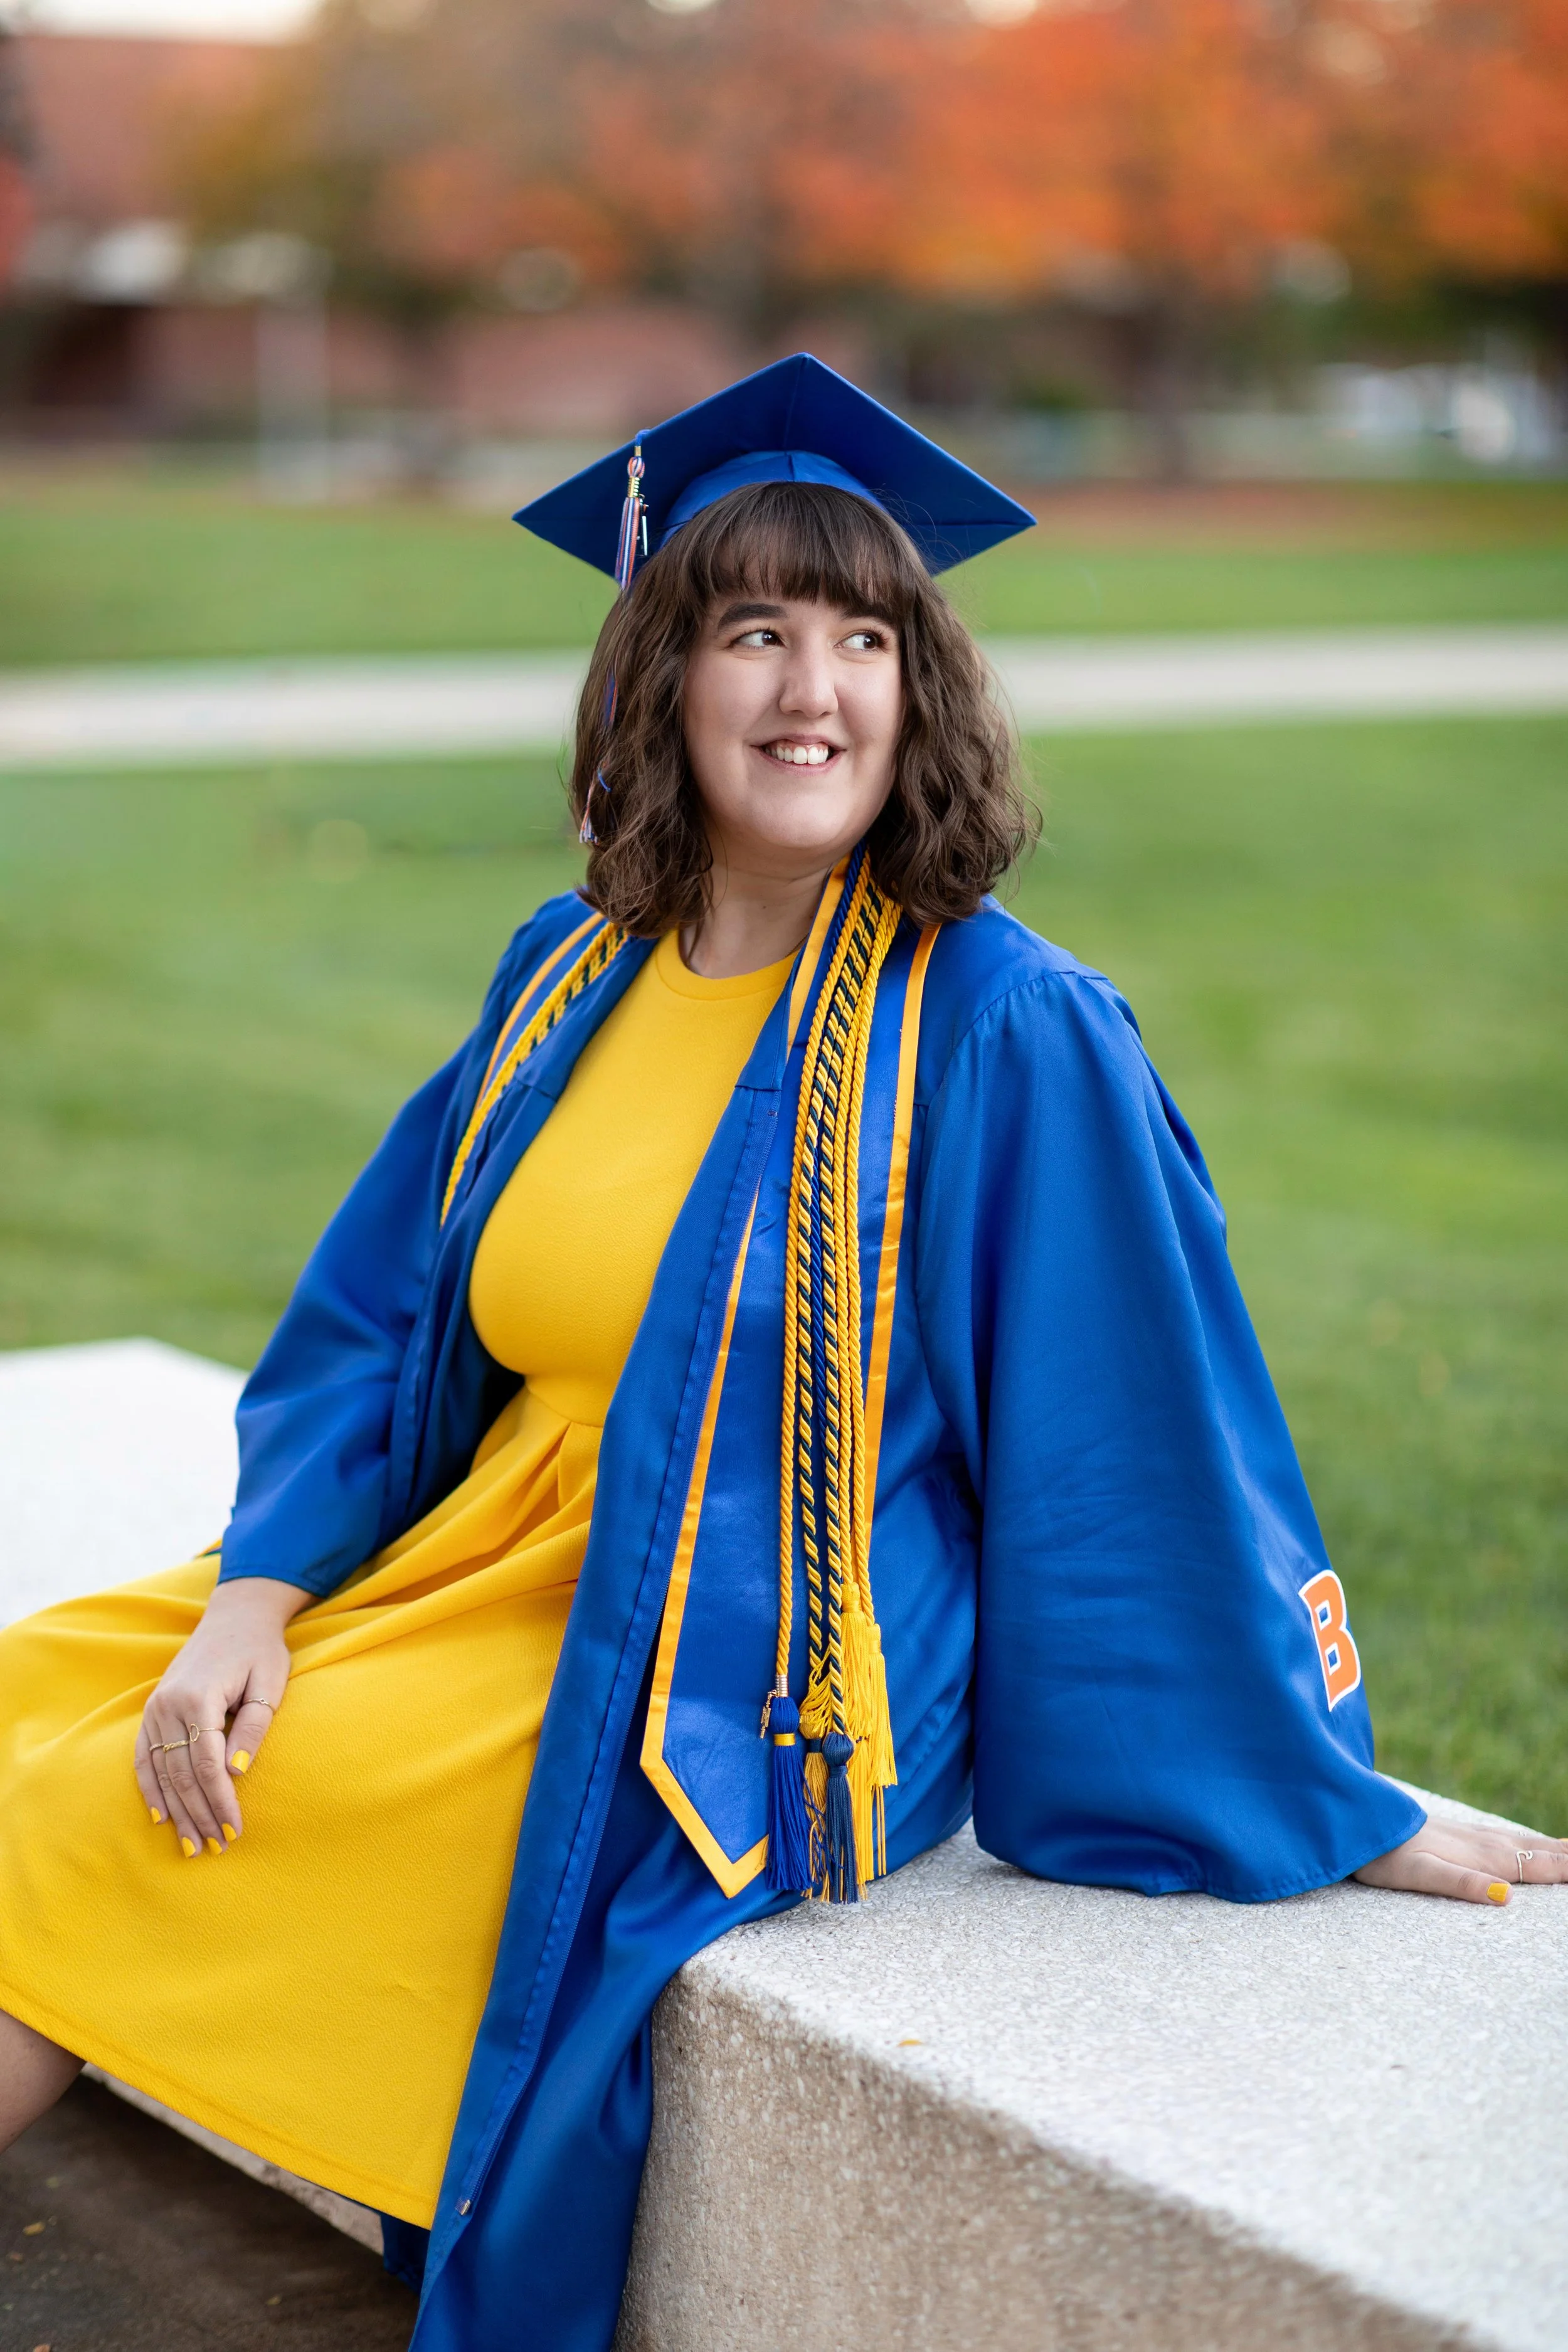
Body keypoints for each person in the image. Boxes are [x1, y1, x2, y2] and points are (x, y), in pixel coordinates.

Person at [0, 354, 1560, 2352]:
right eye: (753, 631)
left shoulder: (997, 1025)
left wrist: (1321, 1787)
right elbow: (376, 1314)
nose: (812, 688)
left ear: (922, 687)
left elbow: (1129, 1443)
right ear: (661, 675)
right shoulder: (571, 970)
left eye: (863, 637)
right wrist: (258, 1592)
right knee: (36, 1707)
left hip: (729, 1650)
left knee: (98, 1827)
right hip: (481, 1563)